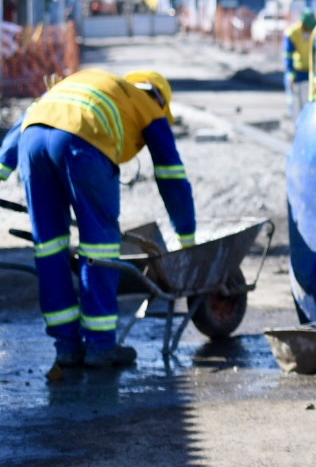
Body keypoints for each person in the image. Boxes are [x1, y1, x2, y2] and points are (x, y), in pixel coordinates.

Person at [0, 69, 196, 370]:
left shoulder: (87, 83)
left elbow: (31, 119)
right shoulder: (148, 105)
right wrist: (187, 240)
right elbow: (171, 176)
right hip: (84, 145)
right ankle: (100, 347)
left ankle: (66, 347)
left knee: (49, 247)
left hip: (32, 143)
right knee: (99, 250)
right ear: (159, 98)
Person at [283, 9, 316, 119]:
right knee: (296, 101)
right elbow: (288, 56)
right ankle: (297, 122)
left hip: (310, 72)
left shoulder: (313, 32)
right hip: (296, 72)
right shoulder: (293, 33)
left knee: (309, 101)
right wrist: (291, 74)